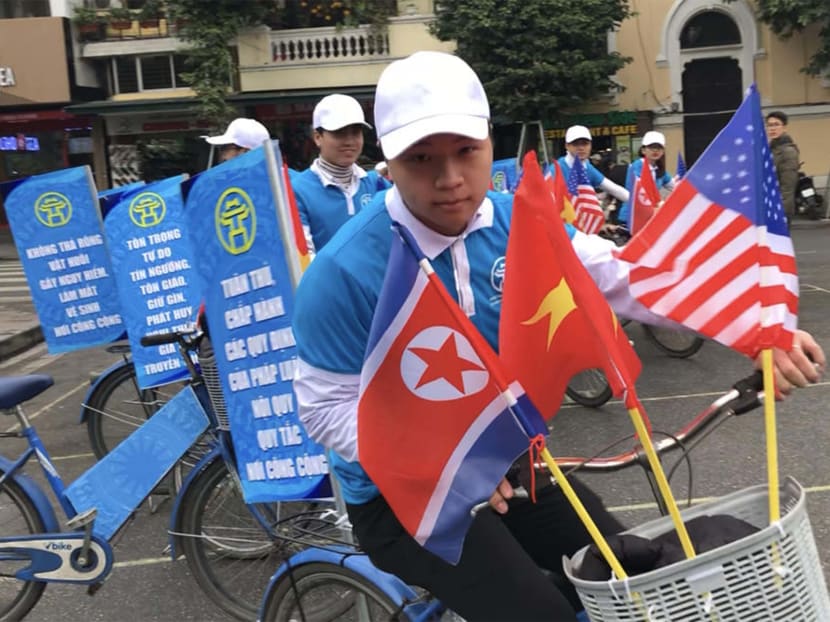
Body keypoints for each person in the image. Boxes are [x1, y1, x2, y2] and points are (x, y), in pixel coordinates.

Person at [291, 51, 825, 621]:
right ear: (389, 162)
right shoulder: (343, 272)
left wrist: (760, 329)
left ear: (488, 143)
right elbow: (324, 410)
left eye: (465, 153)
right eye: (421, 159)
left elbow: (623, 275)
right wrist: (439, 457)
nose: (448, 180)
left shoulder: (518, 221)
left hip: (516, 465)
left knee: (632, 580)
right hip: (404, 495)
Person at [291, 93, 392, 254]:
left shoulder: (377, 184)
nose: (349, 141)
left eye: (356, 132)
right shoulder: (297, 192)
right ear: (317, 137)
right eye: (340, 133)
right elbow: (303, 257)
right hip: (325, 279)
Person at [557, 125, 629, 204]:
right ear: (567, 146)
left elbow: (615, 190)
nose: (581, 148)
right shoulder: (556, 169)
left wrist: (639, 203)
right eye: (576, 144)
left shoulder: (586, 167)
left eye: (585, 143)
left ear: (590, 145)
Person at [617, 131, 675, 228]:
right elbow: (642, 191)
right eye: (652, 147)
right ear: (643, 150)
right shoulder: (637, 166)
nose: (656, 150)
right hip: (631, 218)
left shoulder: (659, 169)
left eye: (659, 148)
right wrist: (661, 204)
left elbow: (675, 185)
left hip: (649, 217)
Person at [766, 111, 800, 219]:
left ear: (784, 128)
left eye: (776, 124)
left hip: (780, 209)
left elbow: (787, 187)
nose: (772, 128)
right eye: (769, 125)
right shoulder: (769, 149)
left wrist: (780, 212)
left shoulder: (787, 151)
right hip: (769, 205)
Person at [204, 117, 271, 163]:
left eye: (225, 147)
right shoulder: (274, 176)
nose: (222, 154)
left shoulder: (248, 181)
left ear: (246, 152)